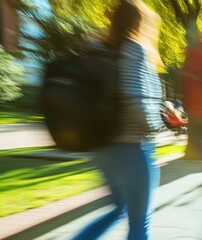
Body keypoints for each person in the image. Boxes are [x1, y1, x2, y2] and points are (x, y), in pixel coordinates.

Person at [73, 1, 165, 239]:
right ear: (138, 23)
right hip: (132, 147)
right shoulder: (133, 49)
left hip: (103, 148)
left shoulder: (99, 49)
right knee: (139, 224)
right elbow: (134, 98)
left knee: (118, 210)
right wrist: (160, 126)